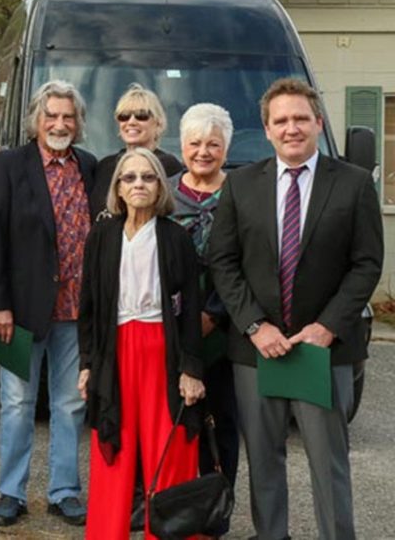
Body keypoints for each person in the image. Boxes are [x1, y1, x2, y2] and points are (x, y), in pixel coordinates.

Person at [209, 78, 383, 540]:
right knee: (264, 462)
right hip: (257, 351)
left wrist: (327, 327)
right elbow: (222, 261)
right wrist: (253, 325)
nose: (292, 128)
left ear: (318, 123)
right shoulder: (241, 183)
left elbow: (367, 264)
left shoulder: (353, 184)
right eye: (281, 120)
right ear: (266, 129)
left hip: (321, 351)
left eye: (301, 118)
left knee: (329, 464)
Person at [0, 80, 95, 528]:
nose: (60, 123)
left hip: (75, 311)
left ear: (79, 122)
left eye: (68, 116)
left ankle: (64, 491)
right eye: (52, 115)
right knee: (16, 403)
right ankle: (11, 492)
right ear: (36, 120)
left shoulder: (89, 166)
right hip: (20, 311)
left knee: (69, 405)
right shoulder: (8, 166)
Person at [77, 147, 205, 539]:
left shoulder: (175, 237)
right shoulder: (101, 235)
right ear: (117, 188)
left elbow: (191, 309)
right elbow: (89, 306)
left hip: (161, 351)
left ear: (159, 186)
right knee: (112, 448)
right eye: (129, 178)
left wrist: (191, 369)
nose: (138, 185)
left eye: (147, 178)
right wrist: (87, 364)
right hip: (113, 352)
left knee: (170, 449)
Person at [169, 103, 239, 536]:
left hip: (225, 328)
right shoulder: (165, 192)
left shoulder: (241, 193)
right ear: (182, 146)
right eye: (195, 143)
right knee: (178, 422)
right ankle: (176, 507)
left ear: (226, 148)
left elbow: (251, 262)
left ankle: (217, 511)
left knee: (225, 423)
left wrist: (214, 313)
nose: (203, 151)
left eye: (213, 144)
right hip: (174, 327)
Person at [91, 83, 183, 220]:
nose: (131, 122)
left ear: (158, 123)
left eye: (141, 115)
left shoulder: (167, 165)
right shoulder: (105, 166)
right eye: (124, 116)